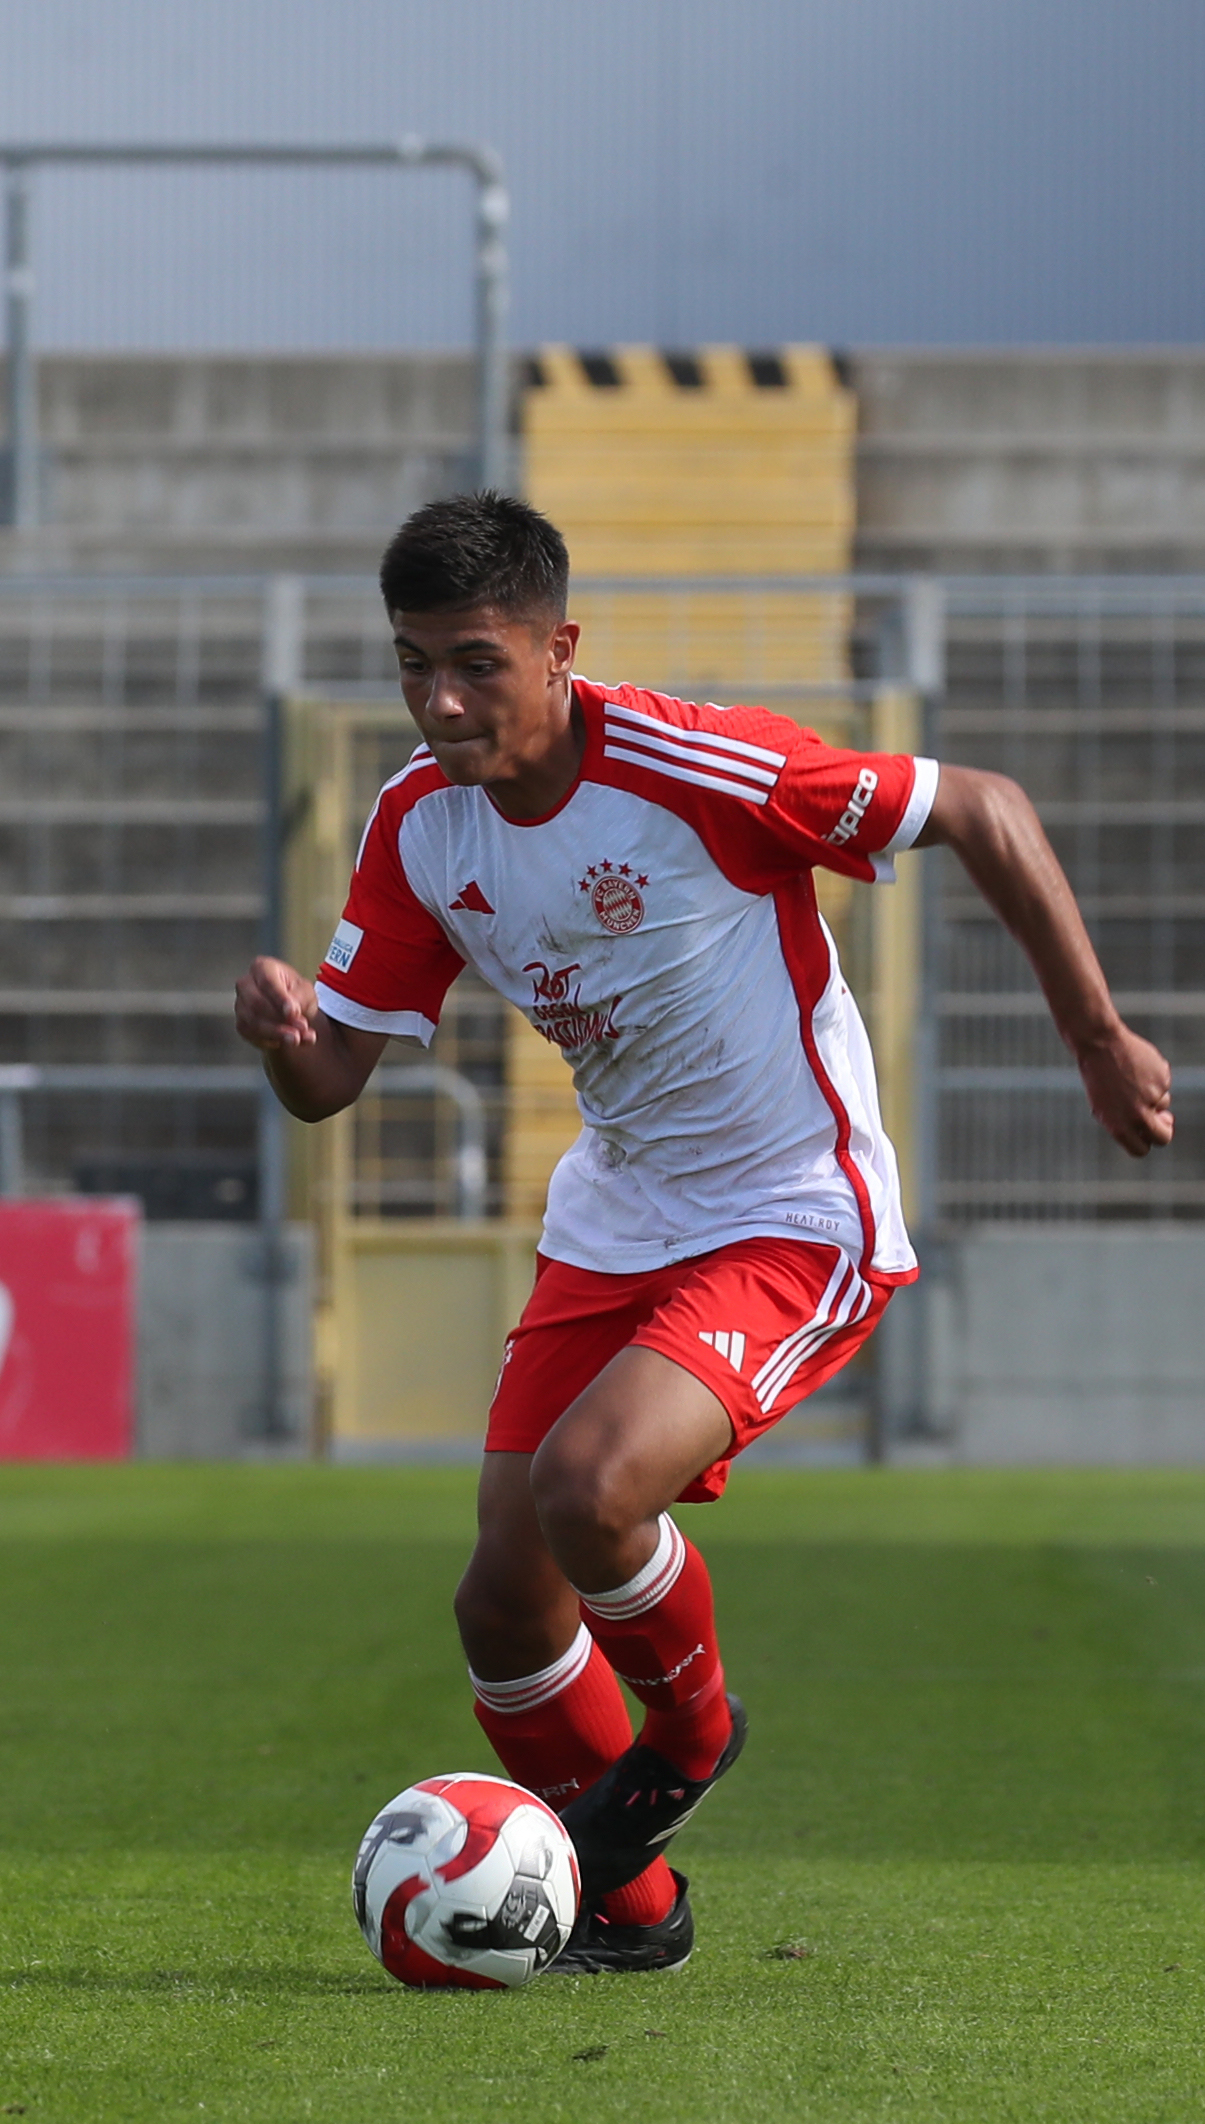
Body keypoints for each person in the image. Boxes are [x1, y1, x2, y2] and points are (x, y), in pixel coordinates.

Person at [241, 494, 1172, 1972]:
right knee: (499, 1601)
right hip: (616, 1213)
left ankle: (691, 1735)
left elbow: (983, 806)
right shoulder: (421, 820)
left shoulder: (701, 765)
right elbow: (330, 1081)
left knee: (589, 1487)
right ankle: (629, 1909)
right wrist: (284, 1037)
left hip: (790, 1211)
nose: (437, 698)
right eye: (412, 663)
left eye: (474, 662)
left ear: (560, 648)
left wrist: (1096, 1037)